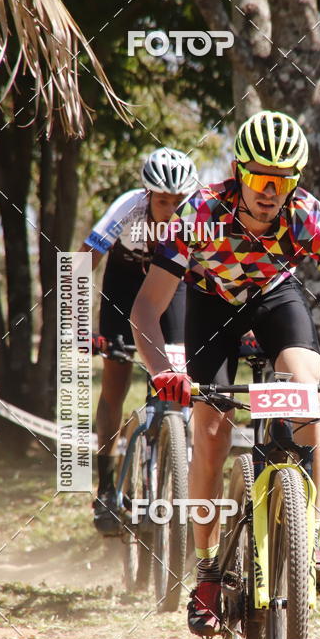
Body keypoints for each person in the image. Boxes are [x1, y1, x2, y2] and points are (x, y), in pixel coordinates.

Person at [131, 111, 320, 637]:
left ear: (296, 181)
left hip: (274, 300)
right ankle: (209, 569)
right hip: (211, 302)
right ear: (239, 172)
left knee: (305, 395)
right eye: (259, 177)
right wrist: (163, 371)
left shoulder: (308, 217)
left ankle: (308, 537)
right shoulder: (198, 212)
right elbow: (146, 309)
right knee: (211, 428)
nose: (269, 190)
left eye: (282, 180)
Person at [79, 147, 198, 535]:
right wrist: (78, 326)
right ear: (148, 195)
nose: (172, 209)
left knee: (181, 382)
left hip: (169, 288)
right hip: (123, 287)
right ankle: (107, 489)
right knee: (114, 385)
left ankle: (178, 463)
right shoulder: (128, 208)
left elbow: (222, 270)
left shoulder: (200, 215)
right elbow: (84, 260)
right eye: (164, 201)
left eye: (180, 201)